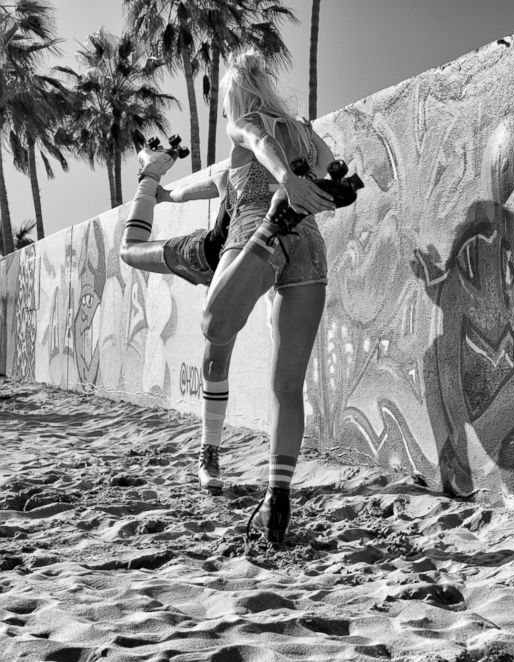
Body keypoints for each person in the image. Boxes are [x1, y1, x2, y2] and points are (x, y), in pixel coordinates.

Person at [199, 49, 338, 543]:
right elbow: (329, 167)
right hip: (311, 242)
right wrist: (319, 188)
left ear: (234, 93)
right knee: (287, 386)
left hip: (264, 221)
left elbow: (257, 141)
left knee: (215, 326)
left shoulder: (246, 120)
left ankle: (266, 236)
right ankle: (277, 503)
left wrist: (285, 182)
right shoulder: (302, 127)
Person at [120, 138, 238, 495]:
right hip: (202, 257)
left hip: (241, 274)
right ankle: (149, 171)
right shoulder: (232, 175)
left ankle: (209, 457)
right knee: (129, 251)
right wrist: (160, 190)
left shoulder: (286, 181)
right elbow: (184, 192)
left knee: (216, 365)